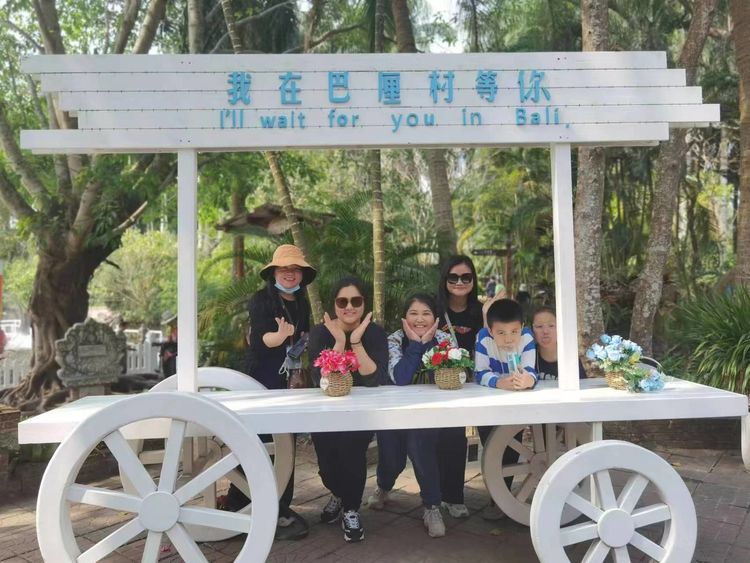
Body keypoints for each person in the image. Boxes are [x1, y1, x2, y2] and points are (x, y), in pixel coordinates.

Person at [224, 244, 316, 541]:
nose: (290, 274)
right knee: (258, 441)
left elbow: (302, 337)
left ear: (301, 275)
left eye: (295, 269)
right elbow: (262, 340)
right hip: (261, 378)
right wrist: (280, 336)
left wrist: (302, 342)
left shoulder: (301, 302)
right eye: (284, 269)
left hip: (290, 380)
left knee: (286, 441)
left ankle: (280, 505)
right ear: (274, 273)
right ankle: (240, 502)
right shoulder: (261, 300)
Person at [309, 276, 388, 543]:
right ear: (334, 304)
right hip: (325, 412)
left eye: (356, 301)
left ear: (364, 303)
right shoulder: (320, 333)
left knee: (352, 455)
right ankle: (339, 494)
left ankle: (351, 509)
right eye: (342, 301)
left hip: (360, 412)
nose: (349, 307)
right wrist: (339, 343)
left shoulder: (374, 333)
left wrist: (355, 341)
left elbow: (373, 378)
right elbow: (319, 378)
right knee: (327, 467)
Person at [368, 293, 451, 538]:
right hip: (394, 411)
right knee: (391, 458)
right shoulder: (394, 339)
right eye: (413, 313)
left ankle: (432, 506)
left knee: (419, 447)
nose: (420, 319)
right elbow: (400, 377)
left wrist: (429, 343)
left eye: (426, 314)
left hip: (429, 413)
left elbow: (452, 375)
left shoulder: (444, 339)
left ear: (435, 318)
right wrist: (416, 344)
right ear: (404, 318)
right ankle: (384, 487)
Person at [474, 299, 537, 520]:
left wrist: (528, 380)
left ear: (522, 327)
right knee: (491, 446)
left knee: (511, 444)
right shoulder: (483, 338)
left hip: (515, 403)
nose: (509, 339)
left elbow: (530, 370)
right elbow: (480, 373)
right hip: (488, 403)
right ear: (490, 330)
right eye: (501, 333)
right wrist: (499, 383)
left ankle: (501, 498)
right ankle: (495, 493)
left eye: (514, 331)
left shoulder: (527, 338)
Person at [435, 255, 484, 519]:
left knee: (496, 432)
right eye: (453, 277)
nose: (459, 282)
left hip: (480, 382)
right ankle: (451, 497)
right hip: (445, 382)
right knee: (452, 437)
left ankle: (500, 498)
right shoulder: (434, 310)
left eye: (466, 277)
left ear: (473, 280)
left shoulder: (482, 311)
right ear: (445, 280)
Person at [531, 306, 587, 380]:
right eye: (539, 326)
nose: (545, 331)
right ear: (532, 330)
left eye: (551, 326)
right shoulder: (529, 355)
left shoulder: (570, 357)